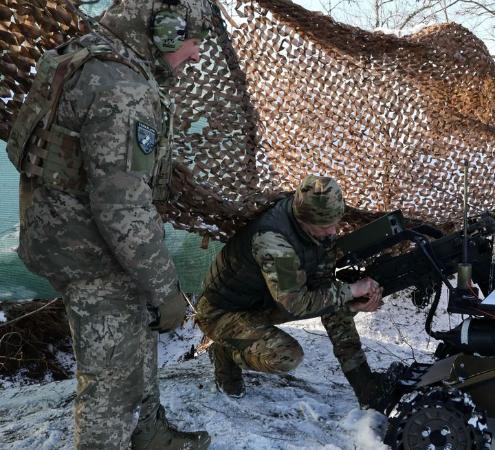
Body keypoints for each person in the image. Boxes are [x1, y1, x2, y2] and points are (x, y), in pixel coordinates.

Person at [7, 0, 216, 448]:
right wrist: (166, 289)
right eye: (194, 42)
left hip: (64, 233)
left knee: (137, 335)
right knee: (111, 385)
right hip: (93, 253)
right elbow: (122, 207)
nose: (196, 55)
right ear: (165, 31)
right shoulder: (124, 88)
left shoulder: (88, 54)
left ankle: (148, 434)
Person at [196, 175, 391, 409]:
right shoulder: (274, 242)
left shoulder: (316, 227)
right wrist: (351, 290)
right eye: (324, 226)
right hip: (222, 312)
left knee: (336, 304)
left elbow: (322, 289)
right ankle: (226, 351)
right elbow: (297, 304)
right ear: (302, 219)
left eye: (335, 223)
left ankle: (365, 388)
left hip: (265, 302)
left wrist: (351, 303)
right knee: (285, 356)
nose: (332, 232)